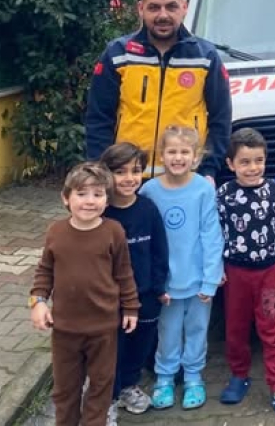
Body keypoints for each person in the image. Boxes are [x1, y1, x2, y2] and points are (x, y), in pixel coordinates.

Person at [85, 0, 232, 184]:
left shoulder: (205, 56)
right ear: (140, 9)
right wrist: (101, 170)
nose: (163, 15)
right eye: (154, 7)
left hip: (185, 178)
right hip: (129, 179)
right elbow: (99, 118)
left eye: (171, 7)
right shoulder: (118, 54)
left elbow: (221, 119)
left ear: (184, 7)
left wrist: (209, 169)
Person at [30, 163, 140, 426]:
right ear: (66, 198)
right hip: (65, 329)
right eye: (82, 194)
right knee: (65, 388)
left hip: (103, 328)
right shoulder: (56, 231)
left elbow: (124, 273)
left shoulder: (114, 231)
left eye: (98, 194)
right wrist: (38, 302)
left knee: (101, 386)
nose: (90, 201)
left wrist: (131, 307)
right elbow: (44, 271)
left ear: (107, 200)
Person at [217, 128, 275, 421]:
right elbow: (215, 233)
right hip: (235, 273)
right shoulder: (224, 195)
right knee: (236, 327)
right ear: (230, 164)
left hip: (269, 273)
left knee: (273, 327)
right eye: (244, 162)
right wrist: (214, 267)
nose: (252, 168)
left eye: (258, 160)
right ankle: (239, 374)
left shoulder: (274, 191)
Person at [140, 126, 224, 411]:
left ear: (196, 156)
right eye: (172, 151)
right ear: (161, 155)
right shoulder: (150, 191)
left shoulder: (203, 189)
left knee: (197, 329)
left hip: (199, 279)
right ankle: (165, 377)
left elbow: (211, 235)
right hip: (166, 283)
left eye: (184, 152)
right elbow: (147, 240)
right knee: (168, 330)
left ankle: (193, 376)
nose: (178, 158)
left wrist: (211, 278)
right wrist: (154, 282)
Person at [100, 142, 169, 417]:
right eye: (120, 172)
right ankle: (108, 398)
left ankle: (129, 386)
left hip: (146, 295)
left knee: (141, 344)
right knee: (112, 350)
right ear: (107, 174)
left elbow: (160, 251)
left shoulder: (148, 209)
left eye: (136, 170)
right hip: (112, 299)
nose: (129, 178)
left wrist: (158, 287)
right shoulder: (101, 213)